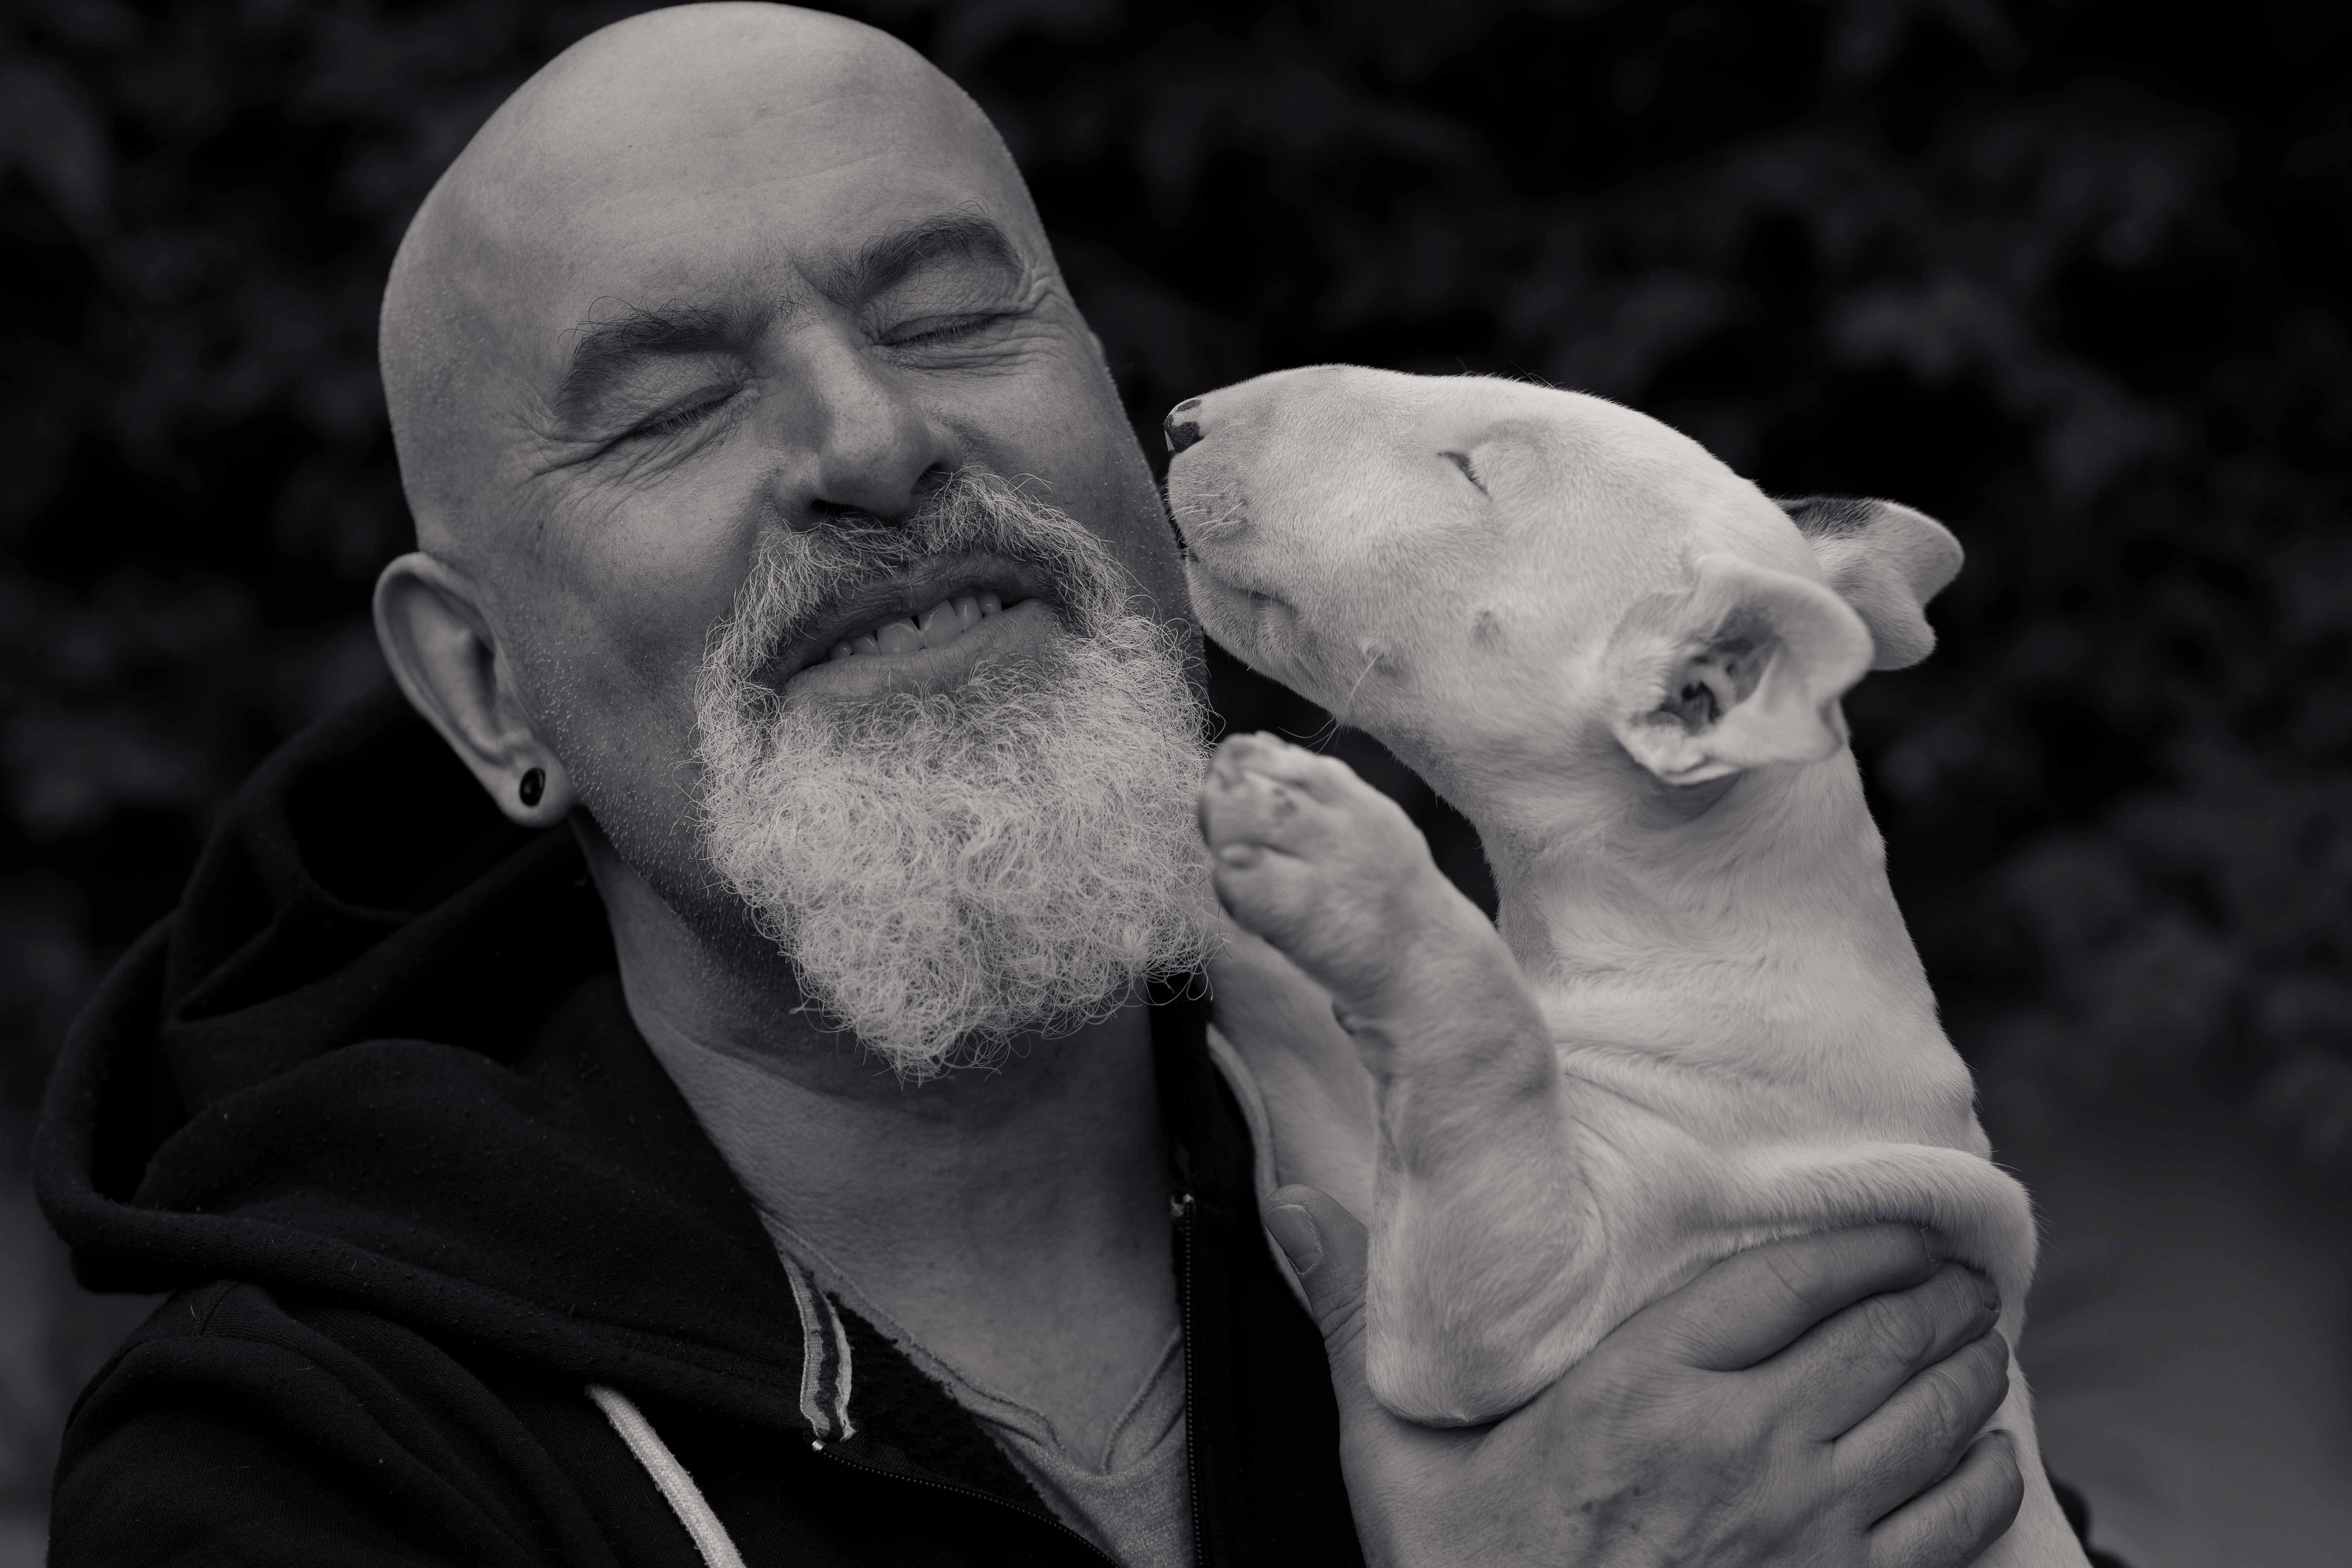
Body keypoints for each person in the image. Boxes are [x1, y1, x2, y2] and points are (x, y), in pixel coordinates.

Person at [37, 6, 2048, 1564]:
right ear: (489, 692)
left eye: (947, 315)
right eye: (669, 409)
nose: (871, 439)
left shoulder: (1559, 1134)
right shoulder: (305, 1466)